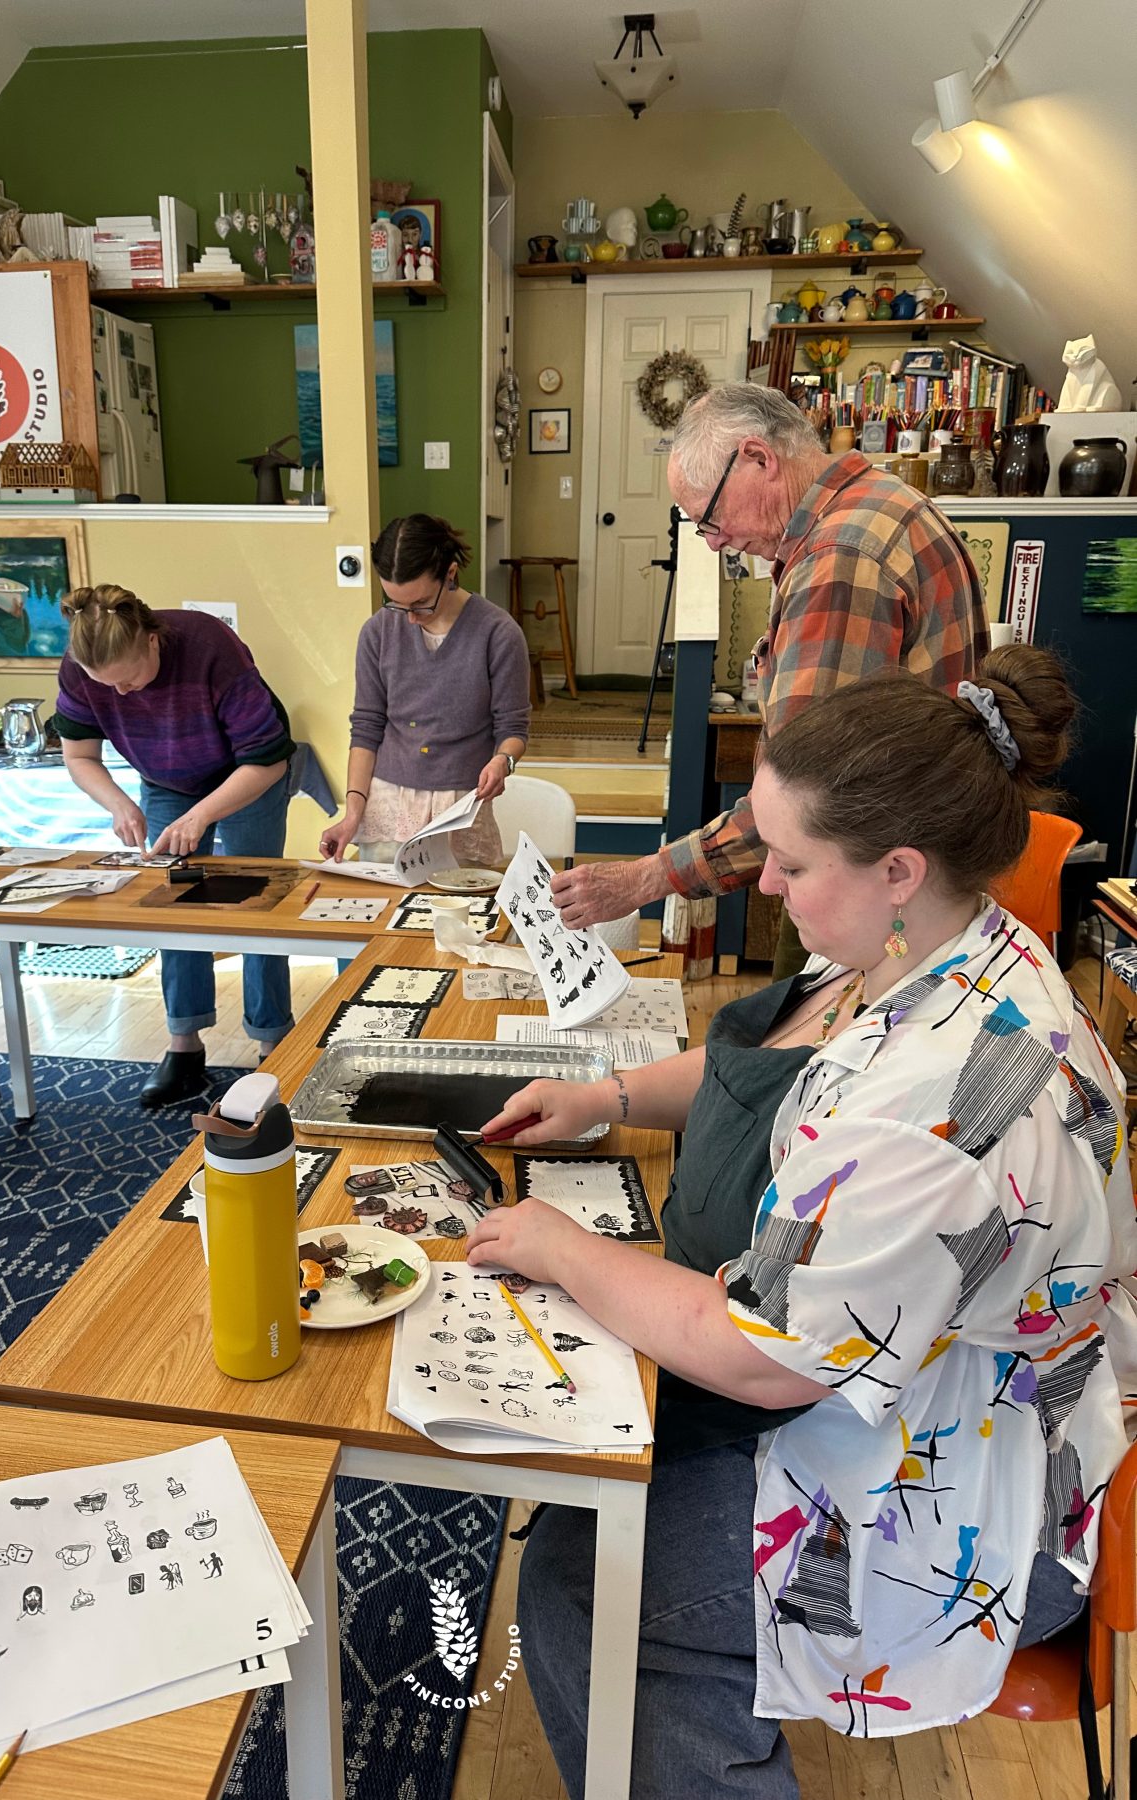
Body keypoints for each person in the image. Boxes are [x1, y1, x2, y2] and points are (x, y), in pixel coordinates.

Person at [473, 645, 1137, 1799]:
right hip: (967, 1402)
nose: (764, 884)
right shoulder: (949, 947)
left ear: (896, 866)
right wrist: (607, 1101)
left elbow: (758, 1357)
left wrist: (558, 1246)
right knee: (613, 1486)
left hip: (987, 1496)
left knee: (589, 1584)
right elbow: (796, 1066)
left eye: (788, 861)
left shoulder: (942, 1103)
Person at [551, 384, 988, 979]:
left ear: (758, 458)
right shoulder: (883, 501)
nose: (714, 540)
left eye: (709, 517)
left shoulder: (840, 558)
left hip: (878, 896)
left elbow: (805, 797)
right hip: (917, 879)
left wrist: (644, 878)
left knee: (808, 1060)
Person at [54, 584, 296, 1109]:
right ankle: (183, 1047)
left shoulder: (210, 646)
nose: (120, 695)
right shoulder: (80, 665)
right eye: (105, 685)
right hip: (165, 779)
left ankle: (273, 1042)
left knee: (257, 905)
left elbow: (269, 759)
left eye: (129, 679)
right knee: (174, 902)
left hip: (246, 772)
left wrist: (203, 813)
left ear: (152, 640)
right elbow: (80, 757)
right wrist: (119, 804)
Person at [320, 514, 530, 869]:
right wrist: (353, 812)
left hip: (460, 806)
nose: (410, 618)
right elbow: (367, 728)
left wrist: (502, 761)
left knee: (460, 915)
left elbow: (513, 728)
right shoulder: (377, 632)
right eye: (396, 604)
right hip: (387, 803)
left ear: (449, 574)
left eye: (420, 604)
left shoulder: (498, 633)